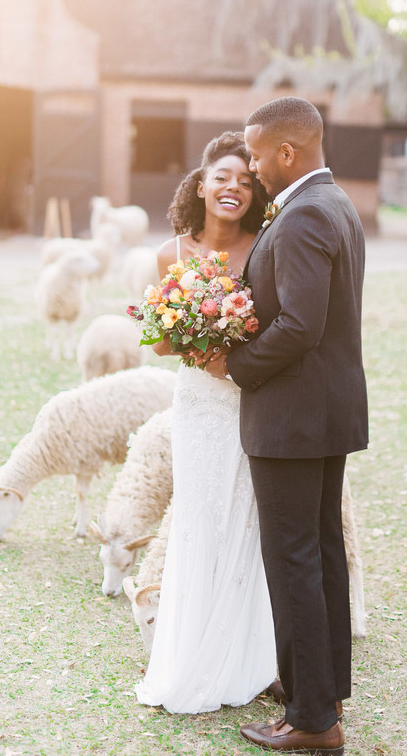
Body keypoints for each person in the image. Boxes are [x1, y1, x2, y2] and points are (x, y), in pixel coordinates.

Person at [205, 98, 368, 755]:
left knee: (294, 557)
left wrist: (238, 363)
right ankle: (317, 689)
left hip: (293, 416)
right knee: (320, 551)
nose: (250, 165)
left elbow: (300, 323)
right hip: (326, 411)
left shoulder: (302, 216)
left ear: (287, 153)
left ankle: (312, 721)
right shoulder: (337, 204)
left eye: (255, 153)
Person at [134, 131, 277, 713]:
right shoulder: (170, 252)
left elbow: (272, 329)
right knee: (198, 520)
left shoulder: (263, 246)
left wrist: (235, 344)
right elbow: (157, 340)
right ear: (200, 184)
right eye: (223, 177)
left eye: (246, 181)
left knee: (244, 521)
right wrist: (194, 337)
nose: (233, 188)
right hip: (196, 405)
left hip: (249, 401)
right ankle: (193, 654)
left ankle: (249, 656)